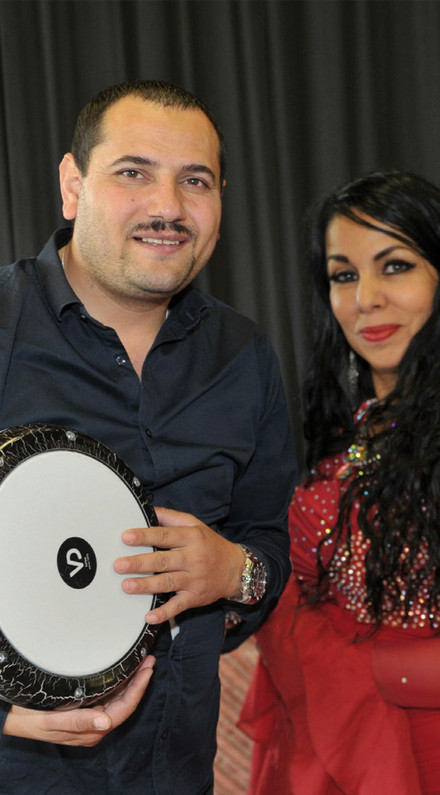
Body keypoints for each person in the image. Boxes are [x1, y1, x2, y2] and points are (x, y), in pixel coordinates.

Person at [0, 80, 296, 792]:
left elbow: (267, 544)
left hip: (176, 773)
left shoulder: (245, 356)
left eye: (195, 180)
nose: (168, 206)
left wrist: (234, 571)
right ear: (72, 185)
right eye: (133, 172)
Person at [238, 170, 440, 794]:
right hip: (335, 760)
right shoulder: (350, 434)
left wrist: (328, 662)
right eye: (343, 275)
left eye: (395, 267)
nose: (365, 298)